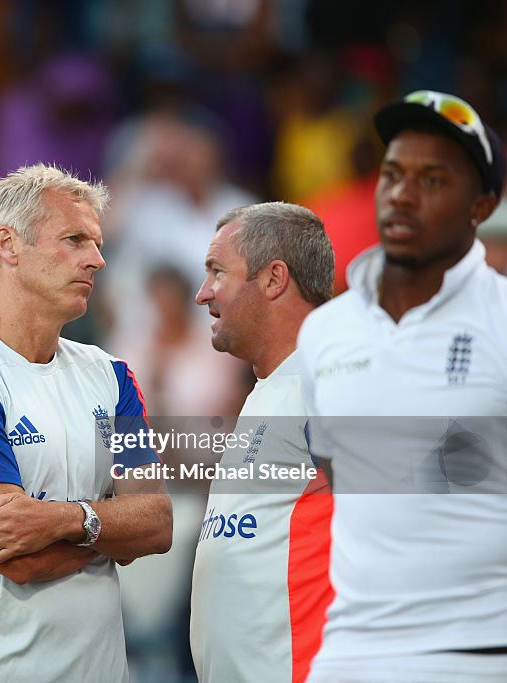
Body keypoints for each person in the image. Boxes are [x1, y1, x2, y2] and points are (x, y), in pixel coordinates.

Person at [0, 163, 173, 682]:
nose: (97, 259)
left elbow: (157, 525)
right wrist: (111, 526)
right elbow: (20, 560)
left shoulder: (111, 376)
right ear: (8, 245)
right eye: (75, 239)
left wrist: (65, 521)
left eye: (96, 243)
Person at [298, 90, 507, 682]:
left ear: (481, 205)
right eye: (392, 174)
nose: (402, 195)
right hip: (349, 652)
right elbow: (340, 474)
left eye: (433, 179)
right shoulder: (326, 332)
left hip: (480, 655)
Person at [189, 202, 335, 683]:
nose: (202, 294)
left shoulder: (331, 381)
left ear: (273, 280)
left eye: (217, 272)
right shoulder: (273, 388)